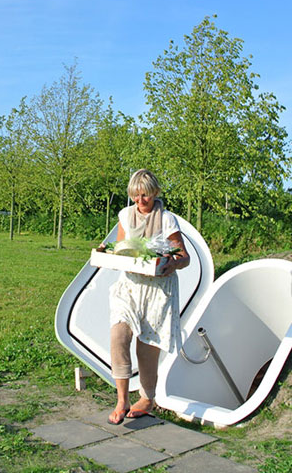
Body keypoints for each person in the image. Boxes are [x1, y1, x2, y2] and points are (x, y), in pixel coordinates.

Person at [103, 169, 190, 424]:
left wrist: (168, 263)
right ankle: (121, 400)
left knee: (146, 347)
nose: (141, 201)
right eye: (137, 196)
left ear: (155, 194)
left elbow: (183, 257)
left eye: (146, 196)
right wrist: (106, 253)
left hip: (157, 289)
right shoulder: (125, 216)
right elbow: (119, 249)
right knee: (119, 336)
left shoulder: (166, 219)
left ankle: (148, 398)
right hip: (130, 285)